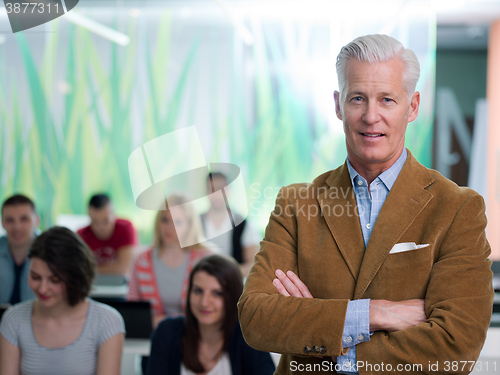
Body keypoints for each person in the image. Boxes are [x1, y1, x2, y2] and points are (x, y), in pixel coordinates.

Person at [238, 34, 494, 375]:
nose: (371, 116)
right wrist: (374, 312)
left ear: (412, 106)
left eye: (387, 99)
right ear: (337, 105)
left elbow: (455, 345)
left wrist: (327, 342)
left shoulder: (457, 209)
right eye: (357, 98)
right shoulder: (296, 205)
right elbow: (256, 318)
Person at [0, 226, 125, 375]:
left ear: (75, 277)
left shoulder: (106, 321)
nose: (43, 289)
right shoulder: (13, 320)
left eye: (54, 280)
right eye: (35, 277)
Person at [147, 254, 276, 375]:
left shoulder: (250, 338)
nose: (204, 302)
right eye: (198, 291)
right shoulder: (166, 333)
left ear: (235, 297)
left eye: (217, 293)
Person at [127, 194, 211, 328]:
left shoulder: (206, 259)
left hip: (196, 336)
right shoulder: (142, 260)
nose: (169, 227)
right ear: (158, 222)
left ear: (190, 225)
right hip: (152, 337)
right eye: (165, 220)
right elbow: (132, 309)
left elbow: (211, 309)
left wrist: (166, 322)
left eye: (177, 222)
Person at [202, 172, 259, 277]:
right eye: (212, 189)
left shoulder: (244, 224)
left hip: (235, 286)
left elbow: (253, 263)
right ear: (206, 192)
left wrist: (225, 276)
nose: (217, 194)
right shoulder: (195, 223)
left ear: (229, 191)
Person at [78, 193, 137, 275]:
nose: (100, 227)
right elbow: (78, 269)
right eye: (95, 222)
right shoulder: (81, 235)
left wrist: (91, 270)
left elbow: (124, 268)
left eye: (105, 221)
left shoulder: (125, 228)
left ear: (114, 215)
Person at [0, 194, 39, 304]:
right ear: (2, 223)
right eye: (9, 220)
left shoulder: (52, 253)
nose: (17, 227)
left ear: (37, 220)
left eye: (24, 219)